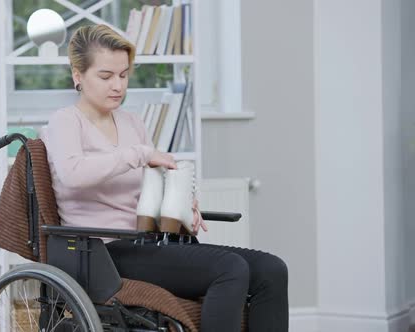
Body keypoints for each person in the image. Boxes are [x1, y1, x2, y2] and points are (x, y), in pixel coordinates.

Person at [42, 24, 288, 332]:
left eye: (123, 74)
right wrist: (140, 154)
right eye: (105, 76)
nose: (117, 85)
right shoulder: (65, 122)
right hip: (104, 253)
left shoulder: (131, 122)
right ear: (78, 76)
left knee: (271, 270)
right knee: (230, 269)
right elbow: (72, 174)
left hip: (149, 243)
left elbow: (150, 187)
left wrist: (184, 205)